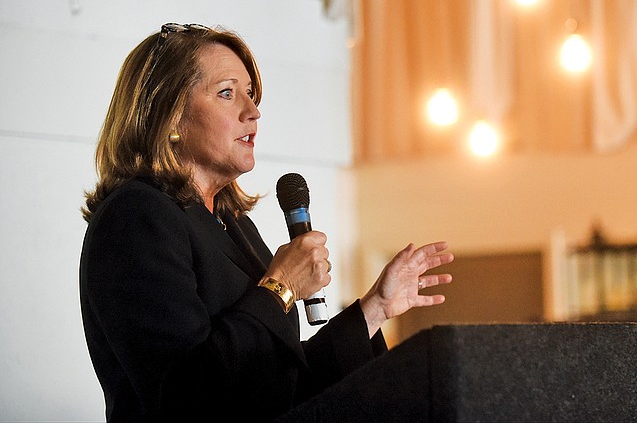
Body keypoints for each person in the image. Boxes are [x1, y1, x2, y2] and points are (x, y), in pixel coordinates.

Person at [79, 23, 454, 422]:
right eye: (227, 93)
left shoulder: (230, 221)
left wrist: (374, 309)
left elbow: (281, 387)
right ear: (169, 116)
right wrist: (282, 287)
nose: (252, 111)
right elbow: (186, 392)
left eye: (250, 94)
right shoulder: (136, 217)